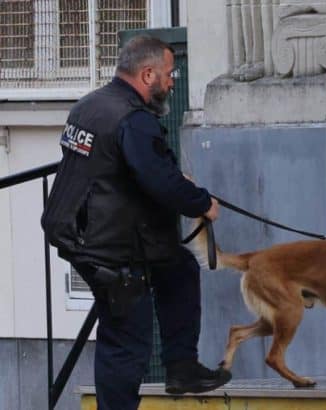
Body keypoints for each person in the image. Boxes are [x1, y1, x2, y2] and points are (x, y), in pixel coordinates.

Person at [41, 35, 230, 409]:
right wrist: (201, 203)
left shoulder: (90, 106)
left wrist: (176, 184)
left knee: (178, 270)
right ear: (147, 75)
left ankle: (181, 367)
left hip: (84, 233)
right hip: (112, 248)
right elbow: (157, 179)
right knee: (126, 339)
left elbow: (122, 169)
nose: (172, 81)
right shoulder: (133, 119)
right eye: (168, 74)